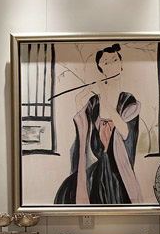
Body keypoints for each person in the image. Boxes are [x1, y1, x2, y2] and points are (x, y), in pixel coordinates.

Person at [54, 43, 143, 204]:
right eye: (106, 63)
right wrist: (79, 99)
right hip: (97, 165)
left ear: (121, 64)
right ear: (101, 69)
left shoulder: (129, 100)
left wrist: (106, 100)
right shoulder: (94, 101)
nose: (112, 65)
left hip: (118, 169)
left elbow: (125, 132)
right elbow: (84, 126)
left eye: (115, 60)